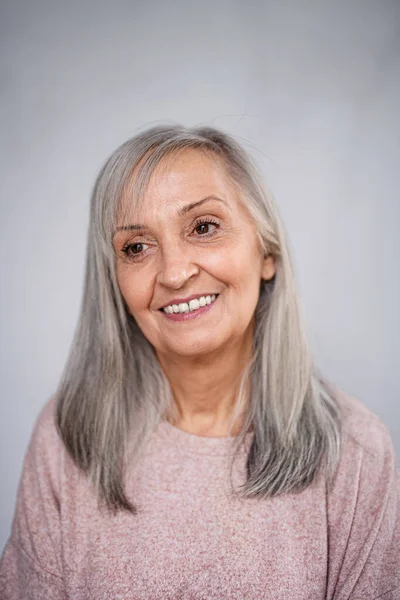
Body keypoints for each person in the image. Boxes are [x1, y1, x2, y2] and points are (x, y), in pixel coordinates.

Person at [0, 124, 399, 600]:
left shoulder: (356, 451)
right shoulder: (67, 436)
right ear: (114, 280)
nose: (173, 272)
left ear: (266, 251)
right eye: (136, 247)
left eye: (204, 227)